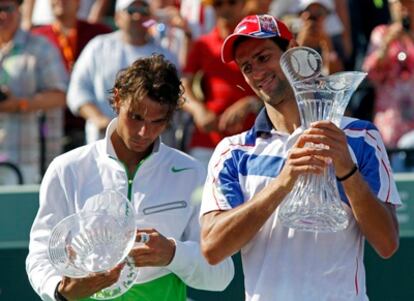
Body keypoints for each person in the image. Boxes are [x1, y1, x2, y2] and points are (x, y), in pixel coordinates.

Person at [199, 14, 401, 300]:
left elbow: (387, 243)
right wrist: (283, 182)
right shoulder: (232, 152)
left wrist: (346, 169)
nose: (257, 72)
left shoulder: (359, 138)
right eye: (247, 66)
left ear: (293, 52)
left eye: (263, 57)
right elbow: (212, 248)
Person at [26, 54, 234, 301]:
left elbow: (222, 274)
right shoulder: (66, 169)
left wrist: (173, 254)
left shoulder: (194, 173)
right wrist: (59, 291)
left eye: (157, 122)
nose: (144, 132)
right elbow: (41, 254)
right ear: (117, 98)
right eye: (135, 117)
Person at [67, 0, 179, 145]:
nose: (138, 16)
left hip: (151, 147)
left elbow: (175, 100)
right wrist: (98, 118)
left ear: (150, 18)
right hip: (102, 142)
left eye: (144, 11)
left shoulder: (166, 55)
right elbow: (77, 89)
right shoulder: (98, 47)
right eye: (131, 10)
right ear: (117, 17)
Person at [182, 0, 260, 166]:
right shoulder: (202, 44)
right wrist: (198, 110)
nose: (225, 8)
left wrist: (250, 103)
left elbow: (278, 85)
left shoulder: (258, 43)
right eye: (218, 4)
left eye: (231, 2)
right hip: (208, 142)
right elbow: (182, 87)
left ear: (243, 4)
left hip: (253, 141)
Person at [0, 0, 68, 184]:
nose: (2, 15)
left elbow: (60, 96)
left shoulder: (41, 47)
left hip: (28, 157)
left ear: (20, 10)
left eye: (7, 8)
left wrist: (20, 104)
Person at [32, 0, 112, 151]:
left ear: (79, 3)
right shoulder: (36, 37)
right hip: (50, 126)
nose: (61, 1)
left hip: (90, 124)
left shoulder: (99, 34)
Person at [362, 0, 414, 149]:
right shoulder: (381, 33)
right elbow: (369, 73)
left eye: (409, 3)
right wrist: (387, 44)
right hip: (391, 121)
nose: (405, 8)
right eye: (400, 3)